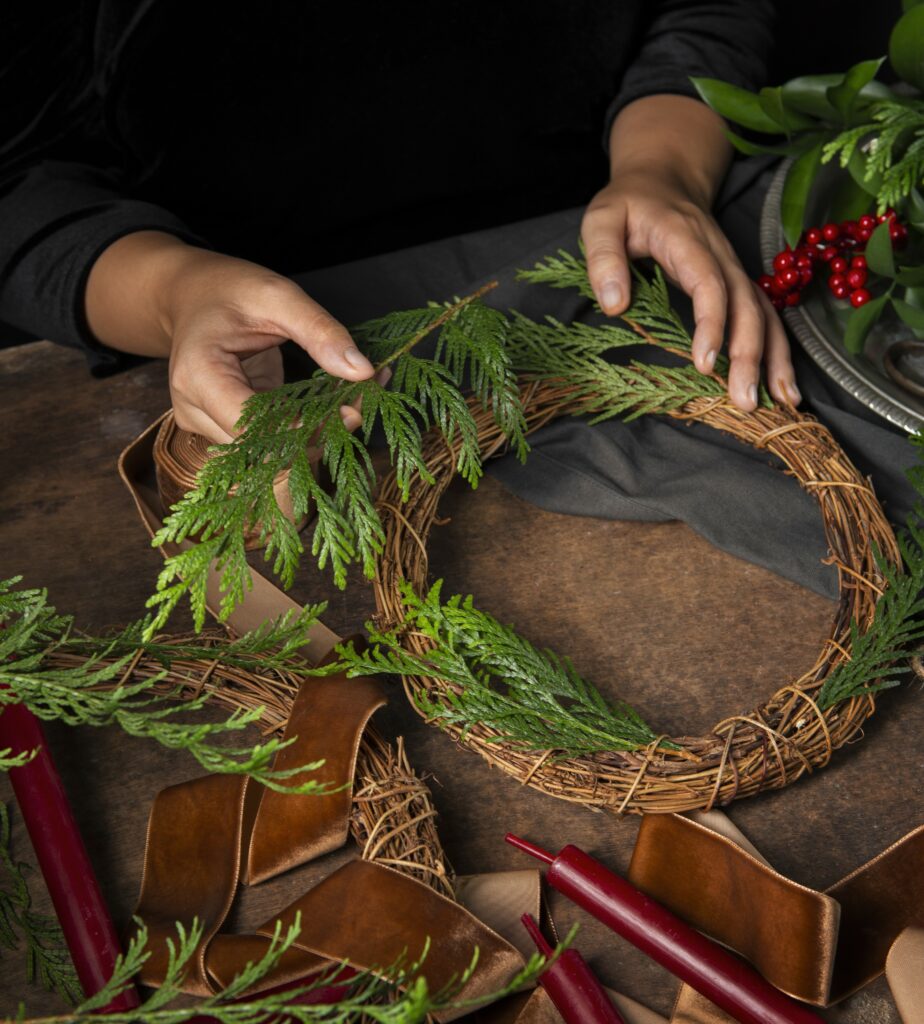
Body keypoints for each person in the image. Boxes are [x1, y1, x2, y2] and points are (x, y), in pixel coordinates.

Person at [1, 0, 796, 451]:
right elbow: (17, 178)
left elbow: (704, 10)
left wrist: (663, 169)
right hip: (262, 344)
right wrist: (175, 294)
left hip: (614, 243)